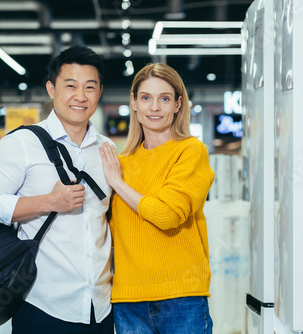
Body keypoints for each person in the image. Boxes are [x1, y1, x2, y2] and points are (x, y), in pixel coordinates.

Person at [0, 45, 114, 334]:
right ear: (51, 88)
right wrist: (48, 202)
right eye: (70, 85)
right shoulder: (22, 143)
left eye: (90, 87)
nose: (80, 96)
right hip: (43, 305)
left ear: (99, 92)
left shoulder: (107, 149)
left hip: (101, 307)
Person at [99, 63, 215, 334]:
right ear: (134, 104)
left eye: (164, 99)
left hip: (181, 297)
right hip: (128, 300)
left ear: (178, 104)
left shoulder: (190, 152)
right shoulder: (121, 163)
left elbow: (167, 214)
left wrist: (117, 182)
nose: (154, 108)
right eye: (146, 98)